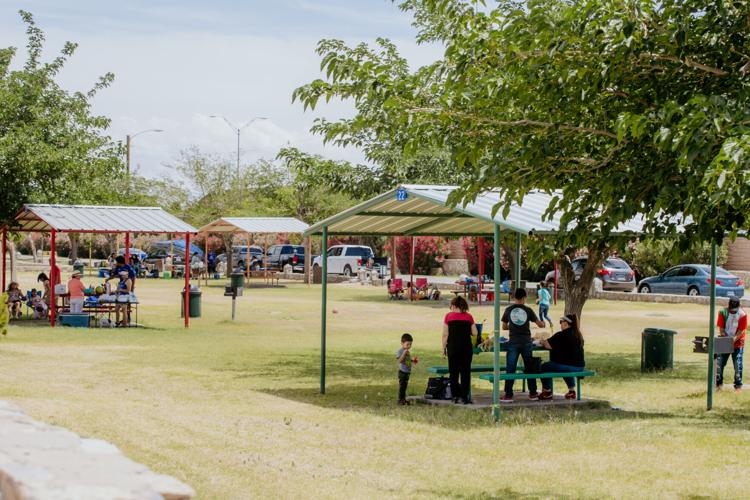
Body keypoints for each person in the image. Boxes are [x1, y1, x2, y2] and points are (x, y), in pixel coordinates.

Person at [501, 288, 546, 402]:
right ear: (524, 297)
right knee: (530, 367)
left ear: (514, 297)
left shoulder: (509, 309)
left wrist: (511, 326)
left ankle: (508, 394)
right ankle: (533, 393)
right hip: (526, 341)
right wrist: (543, 322)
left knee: (510, 368)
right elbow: (540, 325)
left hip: (513, 341)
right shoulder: (528, 310)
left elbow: (504, 327)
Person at [537, 314, 586, 400]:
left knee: (544, 366)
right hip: (579, 366)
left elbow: (548, 345)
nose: (560, 324)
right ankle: (571, 391)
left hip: (569, 366)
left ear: (566, 323)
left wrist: (541, 340)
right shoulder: (578, 335)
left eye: (561, 322)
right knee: (563, 366)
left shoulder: (561, 335)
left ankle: (547, 391)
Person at [442, 296, 478, 404]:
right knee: (465, 372)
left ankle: (455, 396)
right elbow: (475, 333)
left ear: (453, 305)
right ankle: (464, 397)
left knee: (453, 372)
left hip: (453, 347)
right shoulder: (469, 317)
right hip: (466, 347)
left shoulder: (448, 316)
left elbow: (445, 334)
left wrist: (443, 348)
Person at [716, 296, 745, 392]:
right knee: (719, 363)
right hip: (724, 341)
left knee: (738, 364)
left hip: (738, 343)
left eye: (735, 310)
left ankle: (738, 386)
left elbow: (741, 331)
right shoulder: (722, 313)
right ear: (728, 306)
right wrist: (726, 339)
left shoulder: (742, 315)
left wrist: (733, 340)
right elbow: (721, 329)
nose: (733, 311)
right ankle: (718, 384)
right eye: (731, 310)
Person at [396, 333, 415, 405]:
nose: (409, 346)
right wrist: (404, 354)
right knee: (402, 387)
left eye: (410, 344)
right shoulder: (401, 351)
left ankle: (403, 399)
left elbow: (406, 361)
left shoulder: (407, 351)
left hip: (407, 372)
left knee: (405, 386)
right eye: (407, 344)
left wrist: (412, 360)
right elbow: (400, 361)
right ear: (402, 343)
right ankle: (400, 400)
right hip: (402, 372)